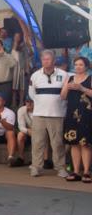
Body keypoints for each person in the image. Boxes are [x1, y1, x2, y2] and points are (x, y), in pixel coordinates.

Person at [29, 50, 68, 178]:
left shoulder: (64, 75)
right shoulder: (35, 76)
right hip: (39, 114)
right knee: (37, 142)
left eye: (48, 59)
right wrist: (41, 103)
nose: (46, 61)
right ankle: (36, 167)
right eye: (44, 59)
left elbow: (66, 94)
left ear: (54, 60)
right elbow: (32, 94)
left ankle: (61, 168)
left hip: (57, 114)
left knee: (57, 143)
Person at [60, 57, 92, 182]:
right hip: (71, 113)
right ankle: (76, 171)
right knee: (73, 143)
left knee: (85, 144)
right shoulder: (70, 78)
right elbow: (62, 97)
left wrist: (81, 88)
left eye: (81, 64)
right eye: (76, 64)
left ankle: (86, 172)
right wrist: (67, 87)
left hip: (86, 114)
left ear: (86, 66)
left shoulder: (90, 78)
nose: (78, 67)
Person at [15, 98, 34, 167]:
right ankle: (21, 158)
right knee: (20, 134)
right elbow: (21, 127)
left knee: (38, 136)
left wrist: (34, 132)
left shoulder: (39, 110)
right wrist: (28, 131)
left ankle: (35, 160)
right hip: (28, 131)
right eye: (27, 101)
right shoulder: (21, 110)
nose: (29, 103)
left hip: (38, 132)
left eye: (31, 102)